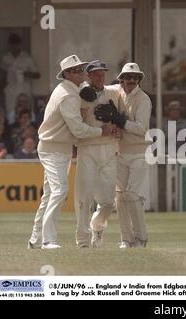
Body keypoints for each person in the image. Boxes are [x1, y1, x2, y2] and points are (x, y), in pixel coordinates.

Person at [28, 55, 113, 250]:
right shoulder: (67, 95)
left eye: (81, 69)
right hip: (53, 149)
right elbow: (79, 130)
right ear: (66, 74)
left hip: (59, 148)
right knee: (59, 191)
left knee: (50, 194)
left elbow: (78, 121)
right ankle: (48, 240)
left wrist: (85, 100)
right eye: (76, 71)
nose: (81, 73)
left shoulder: (70, 89)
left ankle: (35, 238)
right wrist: (102, 131)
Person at [75, 60, 120, 248]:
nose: (101, 78)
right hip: (87, 148)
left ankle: (97, 227)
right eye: (96, 74)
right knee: (84, 198)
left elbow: (122, 113)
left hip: (109, 149)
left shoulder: (114, 92)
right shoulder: (81, 94)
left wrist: (116, 125)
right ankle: (83, 241)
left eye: (103, 74)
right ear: (89, 76)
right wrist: (83, 88)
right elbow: (78, 123)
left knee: (108, 201)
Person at [113, 62, 152, 248]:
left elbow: (141, 128)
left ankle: (141, 238)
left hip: (138, 152)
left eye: (135, 78)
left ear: (139, 80)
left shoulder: (143, 99)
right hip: (120, 151)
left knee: (131, 194)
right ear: (121, 79)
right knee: (120, 196)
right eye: (127, 77)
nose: (131, 81)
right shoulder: (117, 92)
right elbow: (101, 89)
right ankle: (126, 239)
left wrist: (120, 121)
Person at [0, 34, 40, 124]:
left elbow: (37, 75)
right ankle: (13, 131)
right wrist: (0, 90)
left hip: (24, 89)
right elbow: (3, 75)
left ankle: (30, 131)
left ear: (20, 44)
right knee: (11, 113)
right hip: (10, 90)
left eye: (16, 44)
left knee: (27, 111)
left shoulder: (27, 58)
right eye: (12, 45)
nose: (14, 47)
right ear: (9, 45)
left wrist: (27, 74)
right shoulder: (6, 58)